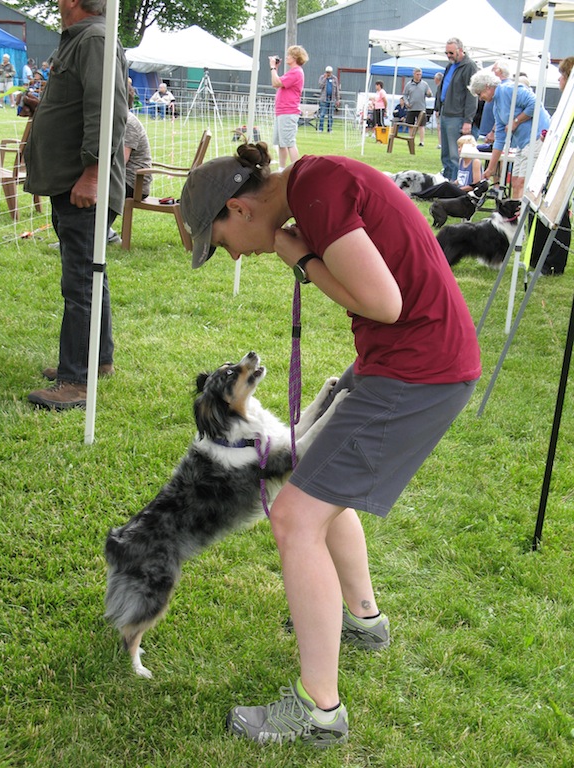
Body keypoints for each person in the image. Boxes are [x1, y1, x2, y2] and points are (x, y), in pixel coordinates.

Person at [179, 142, 481, 746]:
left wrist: (301, 259)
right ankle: (363, 620)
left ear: (239, 209)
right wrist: (305, 253)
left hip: (417, 371)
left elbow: (383, 302)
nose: (233, 252)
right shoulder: (316, 182)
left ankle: (320, 711)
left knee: (293, 519)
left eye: (220, 242)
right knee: (310, 483)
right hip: (408, 362)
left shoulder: (317, 190)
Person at [24, 0, 129, 410]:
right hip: (73, 182)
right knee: (90, 273)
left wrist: (92, 173)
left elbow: (108, 111)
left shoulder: (95, 37)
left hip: (82, 184)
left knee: (81, 281)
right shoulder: (82, 39)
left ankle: (76, 381)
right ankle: (96, 359)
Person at [469, 69, 550, 201]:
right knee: (515, 181)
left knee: (523, 182)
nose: (480, 98)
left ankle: (521, 218)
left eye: (480, 93)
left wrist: (516, 121)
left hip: (537, 138)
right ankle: (514, 217)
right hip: (522, 143)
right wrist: (490, 169)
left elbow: (536, 104)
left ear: (487, 87)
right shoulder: (496, 106)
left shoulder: (508, 90)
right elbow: (500, 139)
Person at [107, 84, 153, 244]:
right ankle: (104, 233)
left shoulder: (128, 123)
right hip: (124, 178)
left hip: (135, 183)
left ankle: (93, 234)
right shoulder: (120, 120)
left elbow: (120, 161)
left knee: (97, 187)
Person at [435, 38, 478, 181]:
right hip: (445, 114)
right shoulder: (450, 66)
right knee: (445, 153)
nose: (449, 55)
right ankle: (446, 181)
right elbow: (443, 88)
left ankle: (454, 184)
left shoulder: (469, 66)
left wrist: (468, 121)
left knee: (455, 155)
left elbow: (472, 94)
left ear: (460, 50)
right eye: (446, 53)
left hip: (457, 116)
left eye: (451, 52)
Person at [269, 45, 308, 170]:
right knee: (281, 143)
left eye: (289, 55)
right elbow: (276, 83)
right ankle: (282, 169)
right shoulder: (292, 72)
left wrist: (272, 68)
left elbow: (276, 82)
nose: (286, 57)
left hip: (288, 111)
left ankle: (295, 170)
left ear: (295, 57)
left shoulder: (296, 72)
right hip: (282, 111)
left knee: (289, 142)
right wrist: (275, 69)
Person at [403, 68, 431, 146]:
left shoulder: (425, 84)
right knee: (410, 125)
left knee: (421, 125)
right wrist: (406, 102)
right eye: (417, 74)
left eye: (420, 74)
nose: (419, 76)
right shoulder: (408, 84)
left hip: (421, 108)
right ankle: (410, 139)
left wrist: (429, 93)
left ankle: (422, 141)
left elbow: (429, 94)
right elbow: (405, 95)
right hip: (411, 107)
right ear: (414, 74)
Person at [317, 65, 339, 132]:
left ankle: (330, 129)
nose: (328, 73)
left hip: (332, 99)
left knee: (330, 115)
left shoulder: (334, 79)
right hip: (324, 99)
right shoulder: (322, 77)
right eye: (327, 72)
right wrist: (324, 78)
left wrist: (337, 99)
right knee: (322, 114)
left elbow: (337, 89)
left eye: (329, 72)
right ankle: (320, 129)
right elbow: (320, 86)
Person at [433, 72, 443, 147]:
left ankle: (440, 143)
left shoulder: (440, 88)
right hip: (441, 110)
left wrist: (437, 110)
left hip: (440, 111)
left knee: (439, 127)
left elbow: (439, 100)